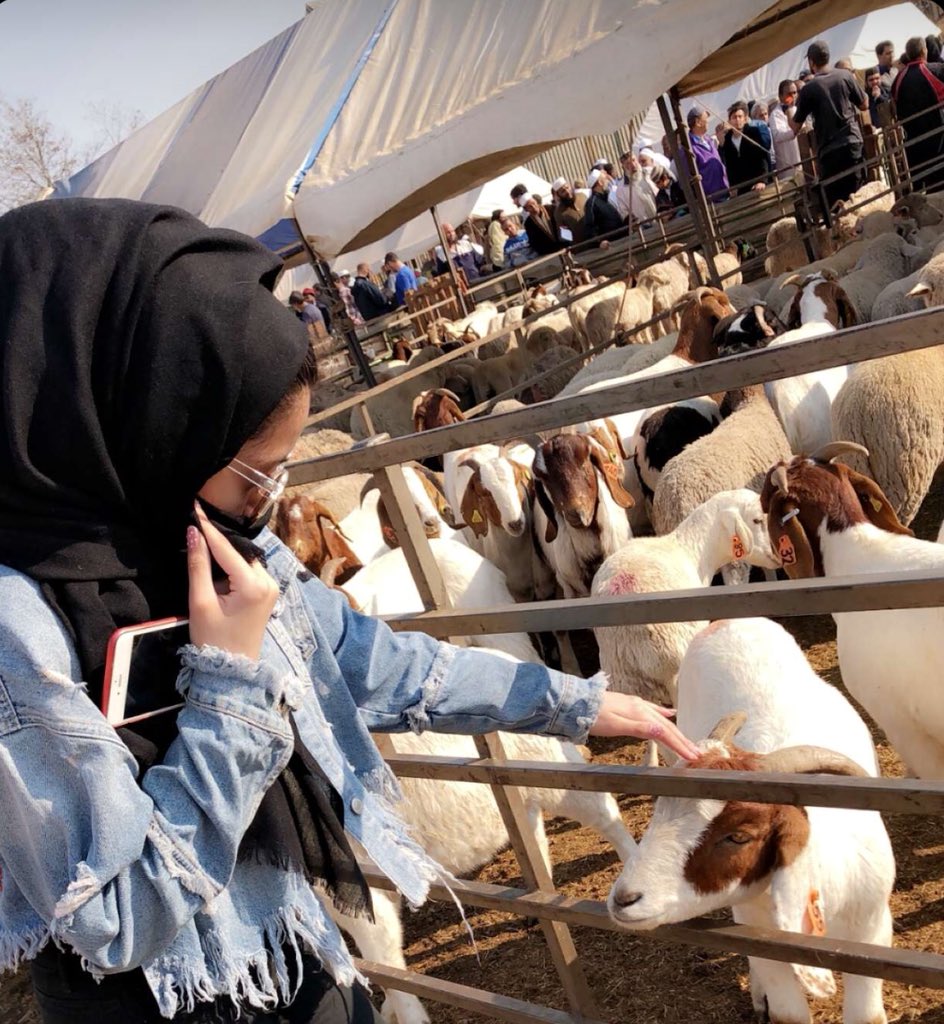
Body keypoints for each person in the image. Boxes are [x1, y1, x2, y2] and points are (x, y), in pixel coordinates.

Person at [0, 198, 701, 1024]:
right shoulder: (21, 633)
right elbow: (115, 919)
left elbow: (377, 662)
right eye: (259, 472)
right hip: (164, 1000)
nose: (275, 502)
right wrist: (230, 686)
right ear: (149, 426)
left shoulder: (210, 540)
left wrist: (578, 703)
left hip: (286, 934)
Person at [792, 39, 868, 207]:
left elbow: (795, 127)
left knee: (837, 203)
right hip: (852, 143)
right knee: (859, 197)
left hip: (829, 152)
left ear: (811, 62)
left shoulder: (809, 88)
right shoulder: (845, 76)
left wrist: (791, 109)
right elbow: (864, 105)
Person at [890, 35, 944, 191]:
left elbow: (893, 109)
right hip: (939, 141)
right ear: (924, 51)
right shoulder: (936, 70)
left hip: (914, 147)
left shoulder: (898, 80)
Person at [679, 103, 729, 203]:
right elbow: (688, 179)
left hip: (725, 192)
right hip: (711, 201)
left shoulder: (709, 140)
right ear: (698, 122)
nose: (708, 122)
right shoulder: (687, 149)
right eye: (705, 118)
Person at [720, 100, 772, 194]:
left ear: (745, 118)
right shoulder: (727, 140)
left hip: (758, 183)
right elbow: (730, 166)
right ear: (729, 121)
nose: (737, 120)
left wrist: (762, 180)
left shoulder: (753, 132)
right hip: (742, 187)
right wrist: (733, 187)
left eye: (740, 116)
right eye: (734, 117)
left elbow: (762, 158)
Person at [509, 183, 561, 255]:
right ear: (526, 209)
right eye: (530, 206)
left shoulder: (551, 209)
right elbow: (534, 242)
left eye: (534, 203)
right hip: (549, 253)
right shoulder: (529, 223)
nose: (534, 207)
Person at [770, 79, 803, 179]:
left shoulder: (799, 109)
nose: (793, 96)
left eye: (794, 93)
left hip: (803, 157)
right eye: (789, 93)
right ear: (781, 96)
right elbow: (777, 136)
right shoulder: (776, 114)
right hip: (788, 163)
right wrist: (794, 131)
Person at [612, 150, 658, 224]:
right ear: (623, 167)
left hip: (662, 218)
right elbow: (625, 213)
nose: (633, 165)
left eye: (633, 160)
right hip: (645, 228)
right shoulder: (621, 189)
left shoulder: (649, 174)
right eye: (628, 164)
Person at [583, 167, 623, 242]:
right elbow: (590, 227)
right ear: (600, 183)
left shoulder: (607, 198)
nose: (608, 182)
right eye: (605, 179)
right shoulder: (592, 203)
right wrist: (599, 242)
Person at [549, 176, 587, 244]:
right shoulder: (559, 213)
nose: (567, 192)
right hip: (582, 247)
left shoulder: (582, 196)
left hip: (598, 240)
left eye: (567, 188)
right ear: (558, 195)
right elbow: (564, 236)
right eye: (563, 191)